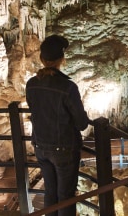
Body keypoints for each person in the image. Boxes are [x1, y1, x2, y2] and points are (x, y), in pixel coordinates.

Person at [25, 34, 91, 216]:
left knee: (50, 193)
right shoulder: (68, 87)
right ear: (62, 59)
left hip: (40, 146)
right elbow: (81, 124)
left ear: (41, 59)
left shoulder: (31, 85)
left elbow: (36, 110)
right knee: (66, 196)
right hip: (63, 150)